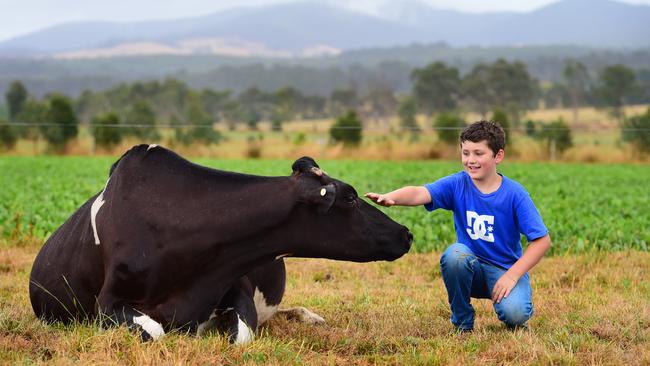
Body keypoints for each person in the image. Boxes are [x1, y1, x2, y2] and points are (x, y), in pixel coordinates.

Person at [365, 120, 551, 332]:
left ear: (498, 156)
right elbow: (420, 192)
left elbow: (542, 241)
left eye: (478, 153)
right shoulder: (457, 184)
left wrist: (512, 276)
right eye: (466, 153)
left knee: (516, 315)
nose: (471, 160)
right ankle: (463, 323)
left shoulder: (515, 194)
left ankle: (510, 306)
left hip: (505, 271)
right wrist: (391, 198)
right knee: (455, 255)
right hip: (469, 268)